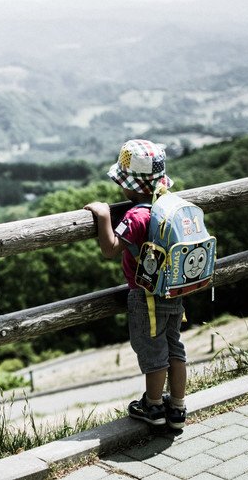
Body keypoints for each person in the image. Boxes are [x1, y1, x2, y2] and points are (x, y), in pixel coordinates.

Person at [84, 139, 187, 429]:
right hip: (173, 289)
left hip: (146, 296)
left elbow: (111, 248)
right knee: (174, 348)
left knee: (154, 352)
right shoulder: (166, 205)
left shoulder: (136, 216)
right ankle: (177, 408)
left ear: (130, 185)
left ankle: (153, 407)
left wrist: (103, 215)